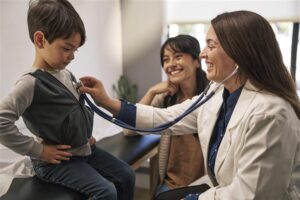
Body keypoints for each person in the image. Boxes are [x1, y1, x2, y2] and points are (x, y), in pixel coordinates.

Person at [79, 10, 300, 199]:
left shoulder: (271, 113)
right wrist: (107, 102)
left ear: (239, 52)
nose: (203, 54)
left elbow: (249, 194)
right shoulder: (217, 93)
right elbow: (164, 118)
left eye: (211, 45)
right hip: (219, 188)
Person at [0, 0, 135, 199]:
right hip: (56, 162)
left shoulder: (65, 73)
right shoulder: (30, 83)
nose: (72, 56)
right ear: (40, 40)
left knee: (127, 176)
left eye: (76, 49)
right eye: (66, 48)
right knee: (106, 192)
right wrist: (38, 150)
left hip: (83, 149)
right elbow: (2, 122)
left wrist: (83, 137)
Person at [124, 35, 209, 197]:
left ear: (197, 61)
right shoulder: (165, 98)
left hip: (204, 187)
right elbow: (129, 130)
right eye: (166, 59)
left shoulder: (211, 96)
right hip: (170, 185)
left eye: (178, 57)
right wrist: (152, 91)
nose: (171, 64)